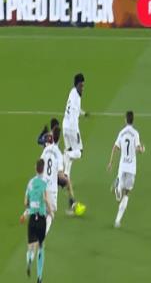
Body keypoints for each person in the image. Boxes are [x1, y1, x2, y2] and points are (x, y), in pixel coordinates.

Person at [107, 111, 145, 228]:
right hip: (131, 168)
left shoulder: (122, 133)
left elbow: (115, 147)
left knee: (120, 192)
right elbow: (138, 148)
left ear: (125, 119)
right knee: (127, 193)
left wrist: (111, 162)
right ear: (133, 120)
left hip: (122, 166)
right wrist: (142, 149)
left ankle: (118, 187)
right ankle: (117, 220)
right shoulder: (135, 133)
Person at [22, 159, 53, 283]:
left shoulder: (30, 183)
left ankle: (30, 258)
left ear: (36, 168)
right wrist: (51, 211)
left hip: (32, 218)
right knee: (41, 246)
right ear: (43, 169)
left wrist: (29, 208)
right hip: (41, 218)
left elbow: (25, 202)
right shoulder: (45, 182)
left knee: (30, 246)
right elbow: (45, 199)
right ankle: (39, 277)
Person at [62, 73, 88, 211]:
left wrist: (83, 113)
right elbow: (73, 113)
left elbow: (75, 109)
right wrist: (76, 132)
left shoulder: (72, 92)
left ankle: (66, 176)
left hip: (65, 126)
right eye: (81, 85)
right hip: (72, 128)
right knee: (79, 152)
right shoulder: (76, 97)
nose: (83, 88)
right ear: (76, 84)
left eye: (83, 85)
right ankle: (66, 155)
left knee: (70, 158)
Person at [40, 126, 69, 233]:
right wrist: (66, 180)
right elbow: (60, 174)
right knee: (50, 214)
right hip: (52, 189)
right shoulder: (59, 155)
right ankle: (42, 237)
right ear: (59, 138)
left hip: (42, 186)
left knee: (43, 212)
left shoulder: (46, 150)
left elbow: (40, 164)